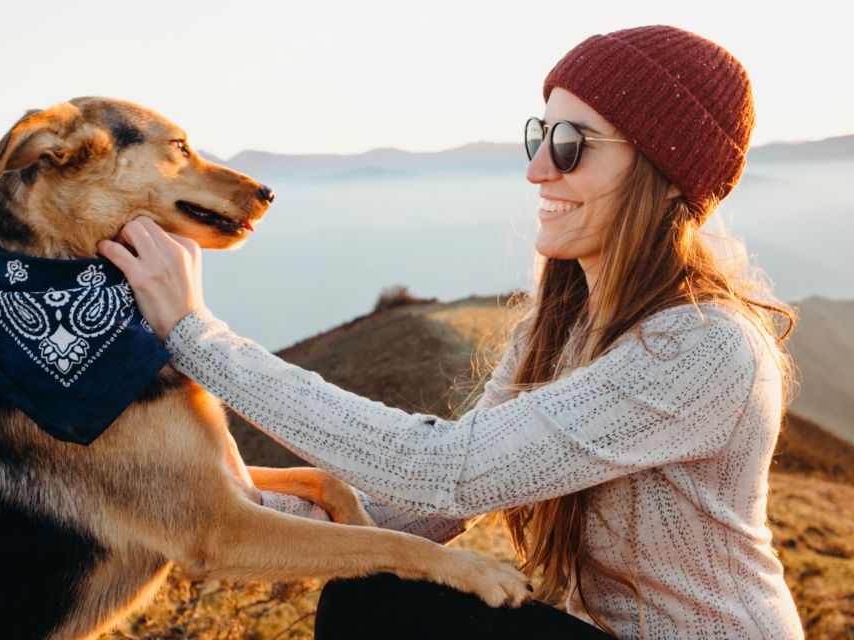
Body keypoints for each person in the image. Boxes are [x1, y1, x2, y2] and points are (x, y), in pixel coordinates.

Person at [98, 24, 804, 640]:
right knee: (378, 593)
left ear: (668, 175)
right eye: (538, 135)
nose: (536, 170)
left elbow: (445, 473)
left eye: (569, 144)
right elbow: (415, 513)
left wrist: (195, 335)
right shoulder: (560, 327)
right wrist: (218, 506)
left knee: (377, 605)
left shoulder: (705, 346)